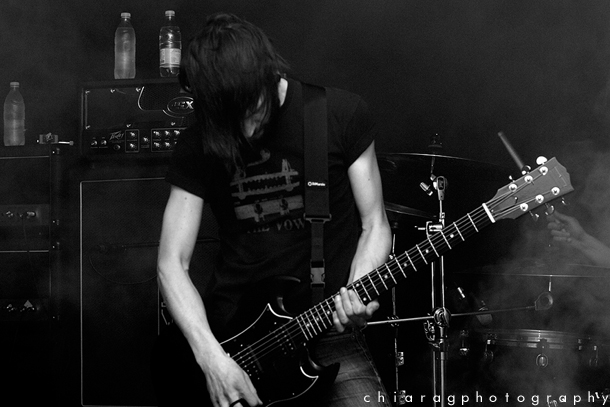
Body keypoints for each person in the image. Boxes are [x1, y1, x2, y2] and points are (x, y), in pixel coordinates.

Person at [154, 12, 393, 407]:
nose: (245, 130)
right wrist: (212, 360)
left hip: (326, 333)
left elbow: (375, 224)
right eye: (231, 119)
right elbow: (171, 263)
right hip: (233, 340)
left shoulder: (339, 114)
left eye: (251, 110)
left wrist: (356, 290)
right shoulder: (199, 141)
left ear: (269, 73)